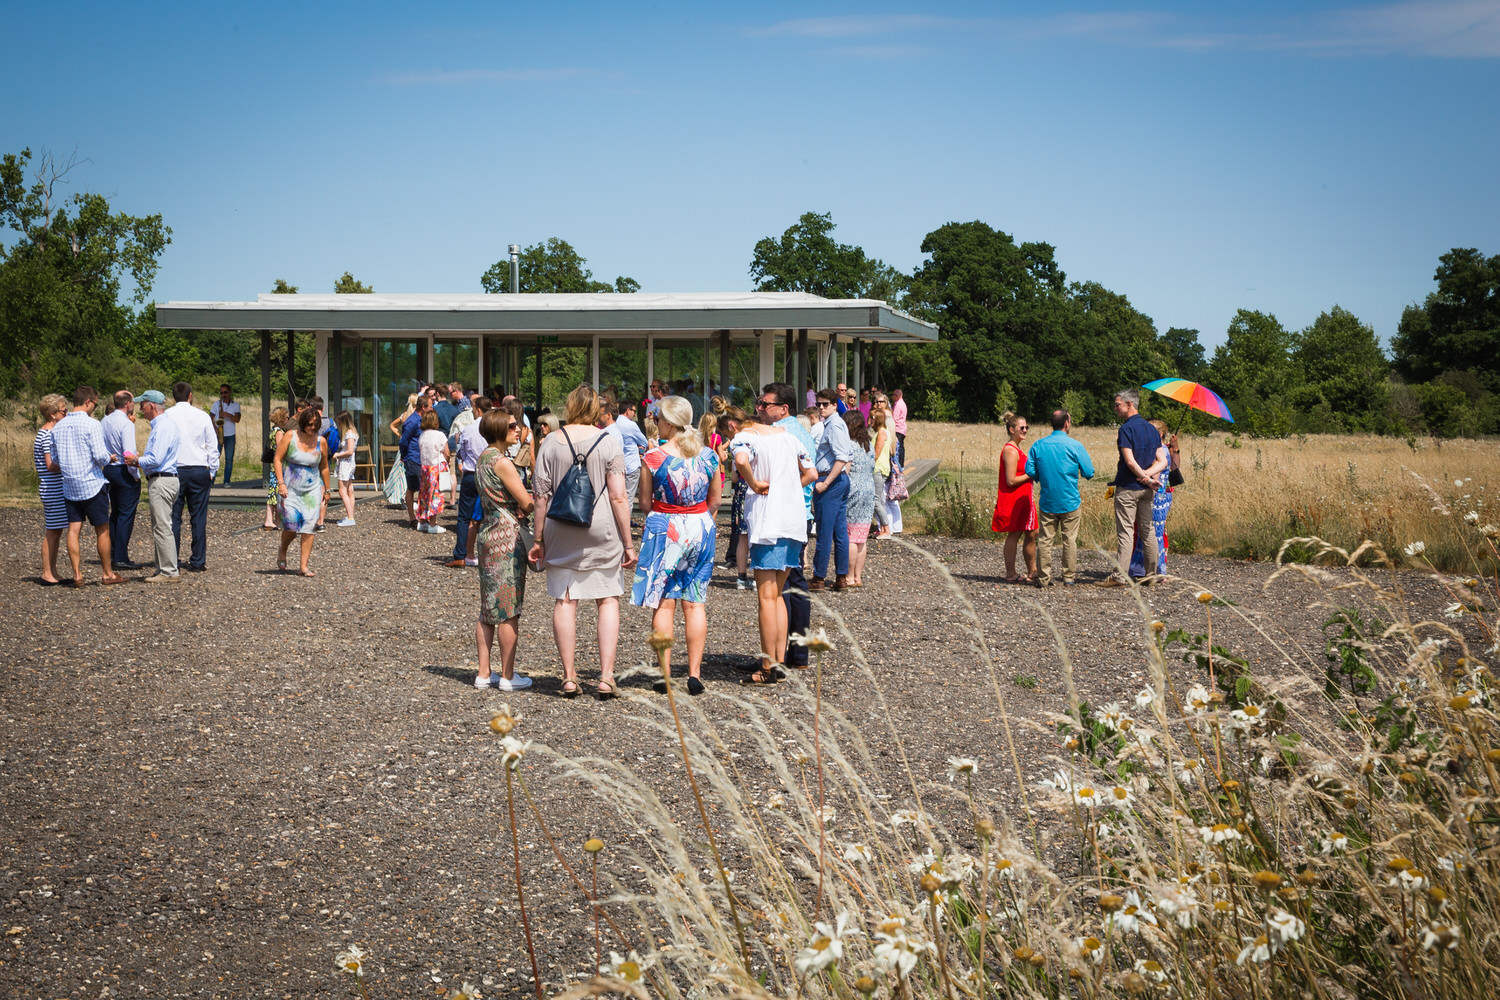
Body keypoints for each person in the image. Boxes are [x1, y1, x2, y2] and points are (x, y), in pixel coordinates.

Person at [528, 384, 635, 699]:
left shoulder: (550, 441)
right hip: (601, 527)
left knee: (565, 599)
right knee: (608, 599)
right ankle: (605, 678)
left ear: (570, 405)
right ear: (597, 410)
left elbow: (540, 496)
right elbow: (618, 496)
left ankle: (570, 677)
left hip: (561, 526)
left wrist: (538, 539)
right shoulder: (609, 441)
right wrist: (628, 543)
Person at [632, 396, 721, 695]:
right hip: (699, 526)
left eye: (657, 418)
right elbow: (715, 501)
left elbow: (644, 502)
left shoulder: (654, 457)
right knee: (695, 602)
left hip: (664, 527)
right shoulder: (709, 456)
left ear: (667, 422)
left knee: (664, 601)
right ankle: (694, 673)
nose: (655, 422)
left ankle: (665, 674)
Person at [731, 385, 817, 683]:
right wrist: (789, 488)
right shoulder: (790, 437)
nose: (760, 408)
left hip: (769, 523)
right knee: (778, 595)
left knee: (766, 597)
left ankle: (769, 668)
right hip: (793, 521)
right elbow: (812, 473)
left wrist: (755, 484)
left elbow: (741, 461)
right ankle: (779, 662)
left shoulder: (746, 438)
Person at [474, 408, 535, 691]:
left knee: (488, 608)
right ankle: (508, 676)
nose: (518, 429)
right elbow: (526, 502)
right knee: (509, 609)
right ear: (500, 429)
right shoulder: (502, 462)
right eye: (512, 426)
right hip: (507, 539)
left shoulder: (482, 458)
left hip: (488, 533)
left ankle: (483, 673)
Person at [49, 385, 125, 587]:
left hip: (69, 486)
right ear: (88, 402)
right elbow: (100, 455)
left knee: (73, 530)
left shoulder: (58, 426)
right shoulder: (92, 424)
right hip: (91, 483)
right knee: (102, 529)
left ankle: (77, 574)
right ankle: (107, 573)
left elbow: (55, 459)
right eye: (96, 403)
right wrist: (109, 457)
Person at [1101, 389, 1168, 587]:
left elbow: (1129, 462)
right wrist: (1148, 477)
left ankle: (1120, 577)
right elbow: (1162, 461)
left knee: (1126, 533)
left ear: (1130, 404)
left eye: (1118, 404)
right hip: (1146, 491)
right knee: (1147, 531)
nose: (1115, 408)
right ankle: (1151, 575)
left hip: (1129, 487)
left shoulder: (1126, 429)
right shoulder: (1150, 429)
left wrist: (1144, 477)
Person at [1025, 409, 1096, 587]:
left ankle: (1043, 577)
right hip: (1070, 500)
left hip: (1048, 500)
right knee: (1069, 540)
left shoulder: (1038, 445)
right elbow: (1089, 472)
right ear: (1066, 423)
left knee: (1045, 539)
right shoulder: (1075, 445)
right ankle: (1068, 577)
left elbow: (1029, 469)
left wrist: (1041, 477)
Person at [128, 390, 182, 583]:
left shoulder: (162, 427)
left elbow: (156, 459)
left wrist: (136, 460)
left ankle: (168, 571)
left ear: (151, 406)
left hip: (162, 479)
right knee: (160, 525)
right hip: (164, 478)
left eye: (143, 404)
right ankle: (163, 568)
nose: (140, 408)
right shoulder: (163, 425)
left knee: (162, 526)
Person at [166, 382, 218, 573]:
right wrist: (212, 471)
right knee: (198, 517)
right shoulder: (202, 416)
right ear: (190, 396)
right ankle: (198, 560)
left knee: (174, 518)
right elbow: (212, 446)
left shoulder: (167, 416)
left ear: (174, 397)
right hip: (198, 469)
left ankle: (173, 560)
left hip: (175, 469)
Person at [274, 407, 330, 576]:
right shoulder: (290, 436)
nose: (311, 427)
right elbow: (277, 458)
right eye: (309, 424)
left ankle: (303, 566)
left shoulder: (321, 442)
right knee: (291, 527)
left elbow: (325, 466)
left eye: (315, 425)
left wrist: (327, 489)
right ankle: (283, 549)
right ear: (302, 422)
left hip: (312, 491)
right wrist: (281, 483)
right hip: (290, 489)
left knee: (308, 528)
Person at [810, 387, 853, 592]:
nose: (820, 407)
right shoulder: (837, 424)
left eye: (825, 404)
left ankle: (819, 578)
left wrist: (826, 483)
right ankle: (841, 577)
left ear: (835, 405)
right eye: (818, 404)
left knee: (825, 532)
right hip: (839, 480)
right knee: (839, 531)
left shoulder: (834, 425)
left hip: (831, 480)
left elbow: (842, 457)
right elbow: (847, 455)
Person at [991, 412, 1038, 584]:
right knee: (1015, 534)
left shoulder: (1017, 448)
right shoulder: (1011, 450)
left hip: (1024, 499)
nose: (1025, 430)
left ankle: (1032, 570)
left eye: (1027, 427)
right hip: (1014, 498)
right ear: (1012, 429)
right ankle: (1011, 573)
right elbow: (1011, 480)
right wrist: (1031, 474)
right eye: (1021, 427)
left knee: (1032, 532)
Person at [1130, 418, 1179, 579]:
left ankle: (1153, 570)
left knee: (1151, 531)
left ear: (1159, 434)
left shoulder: (1161, 451)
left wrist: (1142, 476)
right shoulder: (1162, 449)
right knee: (1152, 530)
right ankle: (1151, 569)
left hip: (1158, 494)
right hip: (1161, 494)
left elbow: (1162, 471)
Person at [446, 397, 491, 566]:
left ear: (478, 409)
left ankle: (460, 555)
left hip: (471, 473)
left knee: (464, 517)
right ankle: (488, 554)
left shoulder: (469, 429)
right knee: (489, 516)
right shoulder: (492, 428)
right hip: (488, 473)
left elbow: (462, 452)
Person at [101, 389, 143, 569]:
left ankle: (111, 552)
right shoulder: (126, 424)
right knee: (126, 514)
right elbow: (128, 453)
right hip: (123, 470)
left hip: (109, 469)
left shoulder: (104, 420)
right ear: (128, 404)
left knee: (115, 512)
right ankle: (121, 556)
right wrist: (135, 475)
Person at [33, 393, 69, 585]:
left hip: (54, 487)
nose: (66, 414)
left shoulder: (48, 432)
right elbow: (50, 465)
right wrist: (70, 464)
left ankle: (52, 571)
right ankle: (47, 572)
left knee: (56, 530)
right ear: (53, 414)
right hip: (52, 488)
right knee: (52, 531)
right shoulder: (47, 434)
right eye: (64, 411)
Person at [841, 409, 877, 587]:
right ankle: (857, 577)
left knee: (850, 536)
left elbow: (846, 470)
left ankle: (848, 576)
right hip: (869, 490)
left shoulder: (848, 445)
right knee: (861, 536)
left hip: (853, 489)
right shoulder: (867, 445)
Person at [606, 399, 650, 519]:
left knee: (616, 496)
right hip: (631, 465)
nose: (635, 414)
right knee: (628, 499)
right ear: (627, 411)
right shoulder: (631, 425)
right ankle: (625, 525)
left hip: (616, 466)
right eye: (634, 411)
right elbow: (644, 442)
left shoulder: (614, 423)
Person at [398, 394, 432, 528]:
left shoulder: (423, 419)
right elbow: (404, 441)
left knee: (423, 488)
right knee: (413, 488)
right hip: (413, 458)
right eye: (430, 406)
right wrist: (404, 456)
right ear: (423, 407)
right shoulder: (412, 422)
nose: (432, 409)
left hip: (422, 458)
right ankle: (413, 517)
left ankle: (422, 516)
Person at [416, 410, 450, 533]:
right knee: (435, 495)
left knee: (424, 494)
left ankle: (422, 521)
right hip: (436, 467)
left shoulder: (422, 435)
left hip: (425, 467)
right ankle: (432, 523)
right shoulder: (440, 435)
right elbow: (446, 452)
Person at [870, 402, 894, 538]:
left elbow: (876, 454)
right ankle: (884, 529)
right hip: (880, 469)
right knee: (878, 500)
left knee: (876, 500)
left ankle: (886, 529)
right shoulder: (884, 432)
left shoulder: (881, 433)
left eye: (871, 418)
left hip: (878, 469)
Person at [263, 406, 290, 530]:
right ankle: (269, 520)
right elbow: (281, 449)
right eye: (287, 417)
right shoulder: (279, 432)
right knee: (274, 493)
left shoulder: (273, 430)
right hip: (278, 466)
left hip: (275, 464)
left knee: (275, 494)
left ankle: (277, 521)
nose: (288, 419)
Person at [210, 383, 241, 486]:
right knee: (214, 458)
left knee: (229, 459)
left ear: (229, 392)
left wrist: (228, 415)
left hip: (230, 435)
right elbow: (210, 418)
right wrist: (215, 429)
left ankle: (226, 481)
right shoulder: (217, 404)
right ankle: (211, 481)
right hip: (219, 435)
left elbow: (238, 419)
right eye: (222, 393)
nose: (223, 394)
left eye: (225, 392)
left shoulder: (235, 405)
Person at [332, 411, 359, 526]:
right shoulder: (353, 432)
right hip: (349, 463)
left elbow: (349, 451)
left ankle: (350, 517)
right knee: (349, 490)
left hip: (346, 464)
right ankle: (350, 515)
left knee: (342, 491)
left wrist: (337, 455)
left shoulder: (349, 434)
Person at [891, 388, 908, 466]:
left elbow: (895, 418)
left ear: (897, 395)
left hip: (898, 428)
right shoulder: (903, 403)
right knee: (901, 446)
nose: (892, 397)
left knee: (899, 447)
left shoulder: (897, 405)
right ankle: (901, 463)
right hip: (902, 429)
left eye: (893, 395)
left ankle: (900, 463)